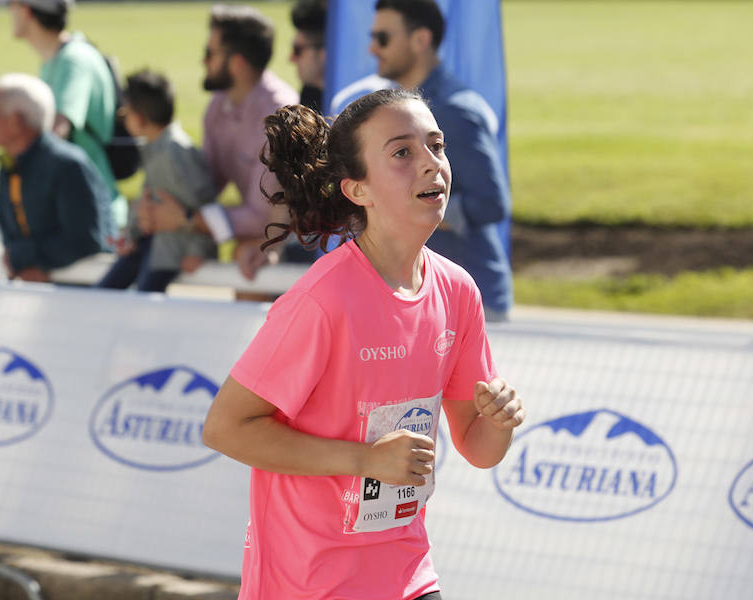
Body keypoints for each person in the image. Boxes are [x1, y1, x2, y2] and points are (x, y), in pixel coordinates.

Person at [202, 89, 525, 600]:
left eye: (436, 146)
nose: (430, 164)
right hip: (308, 584)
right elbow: (224, 429)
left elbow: (479, 447)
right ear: (358, 191)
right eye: (402, 153)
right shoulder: (321, 300)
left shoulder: (458, 291)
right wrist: (365, 460)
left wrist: (500, 421)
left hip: (408, 576)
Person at [369, 0, 513, 320]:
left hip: (472, 302)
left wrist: (411, 207)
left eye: (382, 38)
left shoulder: (452, 109)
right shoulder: (404, 105)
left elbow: (491, 203)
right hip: (432, 297)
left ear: (420, 39)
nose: (371, 48)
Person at [141, 4, 298, 280]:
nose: (203, 61)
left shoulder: (279, 115)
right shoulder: (217, 107)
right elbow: (205, 186)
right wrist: (156, 207)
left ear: (237, 62)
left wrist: (187, 221)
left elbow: (263, 217)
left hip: (304, 241)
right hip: (267, 231)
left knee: (248, 250)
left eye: (209, 53)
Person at [7, 0, 126, 228]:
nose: (9, 11)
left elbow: (56, 132)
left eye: (12, 4)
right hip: (78, 205)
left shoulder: (74, 61)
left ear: (27, 11)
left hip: (94, 212)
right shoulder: (57, 59)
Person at [0, 73, 111, 282]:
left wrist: (28, 259)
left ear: (16, 121)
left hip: (77, 295)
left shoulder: (68, 165)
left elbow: (85, 240)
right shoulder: (9, 166)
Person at [98, 69, 215, 293]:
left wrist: (198, 250)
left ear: (140, 118)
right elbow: (147, 197)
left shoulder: (177, 152)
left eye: (125, 114)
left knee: (142, 300)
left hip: (171, 250)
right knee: (104, 291)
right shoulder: (155, 148)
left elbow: (204, 200)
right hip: (153, 244)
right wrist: (131, 234)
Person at [290, 0, 327, 114]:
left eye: (298, 50)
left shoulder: (356, 107)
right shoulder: (309, 93)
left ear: (324, 54)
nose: (291, 59)